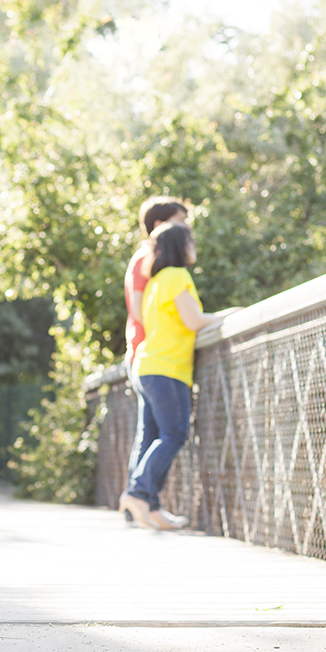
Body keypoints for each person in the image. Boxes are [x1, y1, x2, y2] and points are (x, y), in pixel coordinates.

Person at [120, 223, 230, 531]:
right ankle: (138, 491)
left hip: (150, 366)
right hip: (165, 369)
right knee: (174, 434)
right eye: (190, 240)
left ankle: (149, 505)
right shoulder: (177, 276)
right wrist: (229, 314)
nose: (194, 245)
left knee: (157, 436)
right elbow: (193, 320)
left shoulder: (156, 280)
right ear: (180, 246)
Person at [122, 197, 188, 504]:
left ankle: (141, 503)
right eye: (181, 221)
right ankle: (140, 498)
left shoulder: (155, 263)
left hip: (148, 356)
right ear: (161, 225)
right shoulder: (147, 260)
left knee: (150, 434)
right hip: (150, 355)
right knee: (161, 433)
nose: (187, 228)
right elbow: (139, 310)